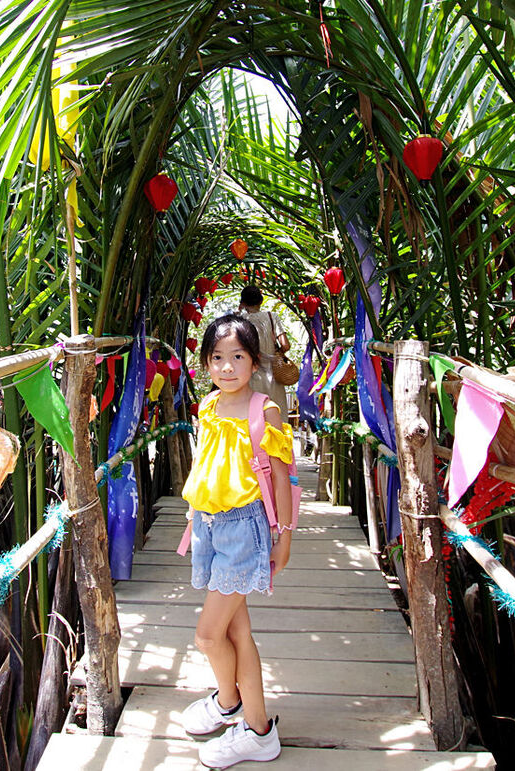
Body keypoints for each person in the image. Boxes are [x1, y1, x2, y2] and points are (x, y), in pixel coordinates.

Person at [178, 312, 295, 768]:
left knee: (208, 636)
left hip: (244, 529)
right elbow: (207, 462)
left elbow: (281, 479)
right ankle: (243, 717)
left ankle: (243, 714)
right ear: (206, 362)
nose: (227, 367)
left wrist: (283, 539)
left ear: (254, 360)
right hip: (208, 524)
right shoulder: (207, 406)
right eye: (217, 358)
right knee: (237, 631)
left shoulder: (263, 410)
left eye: (237, 357)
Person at [236, 286, 290, 419]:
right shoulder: (272, 317)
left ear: (243, 302)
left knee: (253, 421)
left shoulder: (240, 321)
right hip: (274, 376)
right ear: (261, 301)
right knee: (276, 419)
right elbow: (285, 345)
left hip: (250, 378)